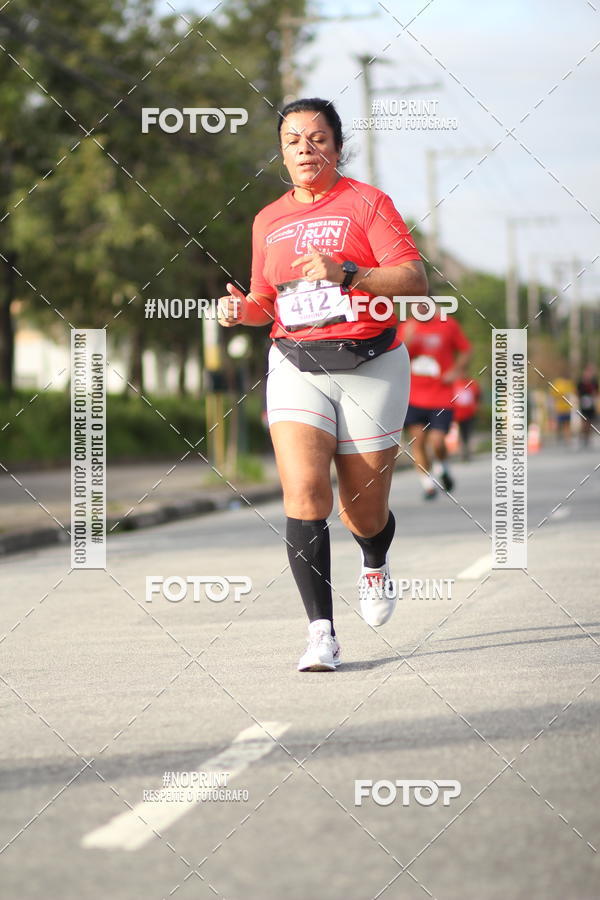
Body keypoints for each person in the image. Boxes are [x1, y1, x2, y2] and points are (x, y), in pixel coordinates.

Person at [217, 97, 427, 671]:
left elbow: (413, 280)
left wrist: (349, 273)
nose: (305, 149)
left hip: (371, 361)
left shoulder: (368, 203)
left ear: (336, 145)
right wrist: (241, 312)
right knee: (305, 493)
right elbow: (267, 301)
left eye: (317, 138)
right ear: (281, 153)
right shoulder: (268, 219)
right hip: (295, 363)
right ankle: (321, 633)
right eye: (293, 141)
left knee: (362, 509)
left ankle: (375, 557)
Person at [397, 305, 471, 499]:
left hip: (441, 395)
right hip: (414, 395)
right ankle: (427, 485)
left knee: (437, 441)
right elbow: (396, 356)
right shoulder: (407, 327)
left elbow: (465, 350)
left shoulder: (447, 325)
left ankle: (444, 468)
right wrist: (407, 339)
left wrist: (456, 371)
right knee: (418, 440)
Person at [451, 375, 481, 460]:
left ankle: (466, 451)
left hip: (469, 413)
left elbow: (478, 396)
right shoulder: (454, 383)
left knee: (467, 433)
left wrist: (477, 407)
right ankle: (462, 452)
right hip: (456, 414)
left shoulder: (472, 383)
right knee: (459, 434)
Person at [550, 371, 576, 443]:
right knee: (559, 424)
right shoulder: (557, 382)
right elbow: (553, 394)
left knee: (567, 424)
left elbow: (573, 394)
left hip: (567, 408)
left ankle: (567, 439)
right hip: (559, 407)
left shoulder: (570, 383)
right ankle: (559, 436)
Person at [577, 363, 598, 446]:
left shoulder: (594, 382)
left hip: (591, 404)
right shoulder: (581, 382)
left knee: (590, 421)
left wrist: (594, 397)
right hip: (583, 404)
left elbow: (596, 392)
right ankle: (583, 436)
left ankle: (588, 438)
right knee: (584, 421)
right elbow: (578, 392)